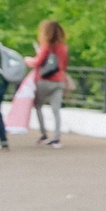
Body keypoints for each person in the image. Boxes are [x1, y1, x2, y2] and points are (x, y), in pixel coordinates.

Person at [30, 19, 72, 147]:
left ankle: (43, 134)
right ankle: (56, 138)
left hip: (44, 80)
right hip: (59, 81)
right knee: (56, 110)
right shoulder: (63, 48)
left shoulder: (45, 46)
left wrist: (28, 60)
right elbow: (63, 66)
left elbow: (38, 62)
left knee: (38, 106)